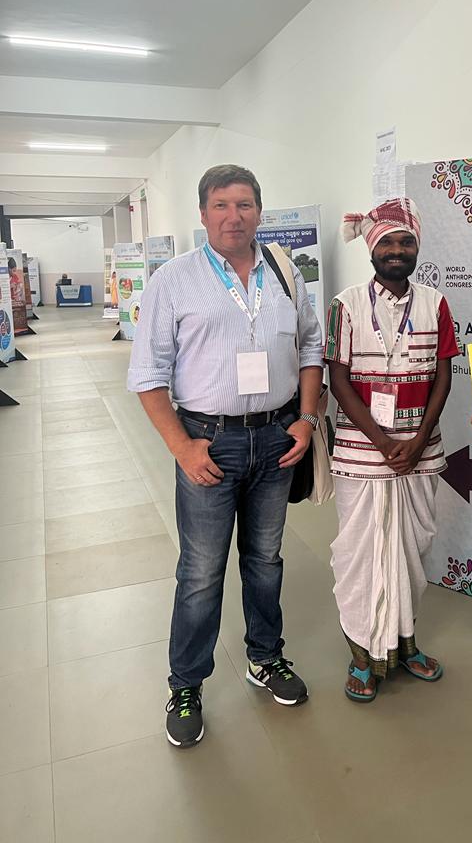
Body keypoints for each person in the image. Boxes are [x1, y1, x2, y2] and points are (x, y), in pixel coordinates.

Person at [127, 164, 323, 747]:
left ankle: (265, 657)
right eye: (221, 205)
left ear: (259, 211)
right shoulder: (173, 280)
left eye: (243, 205)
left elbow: (311, 346)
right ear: (203, 213)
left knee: (265, 560)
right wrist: (181, 446)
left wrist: (307, 419)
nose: (233, 217)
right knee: (201, 571)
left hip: (277, 437)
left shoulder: (285, 271)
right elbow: (148, 374)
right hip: (209, 441)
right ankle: (186, 684)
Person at [324, 198, 459, 702]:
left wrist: (418, 440)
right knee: (361, 555)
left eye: (406, 242)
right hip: (362, 453)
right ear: (371, 248)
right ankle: (363, 656)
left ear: (416, 248)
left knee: (412, 551)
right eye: (387, 243)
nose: (397, 251)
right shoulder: (345, 305)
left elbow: (443, 375)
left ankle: (405, 644)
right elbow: (339, 380)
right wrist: (382, 442)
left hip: (421, 452)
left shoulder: (435, 303)